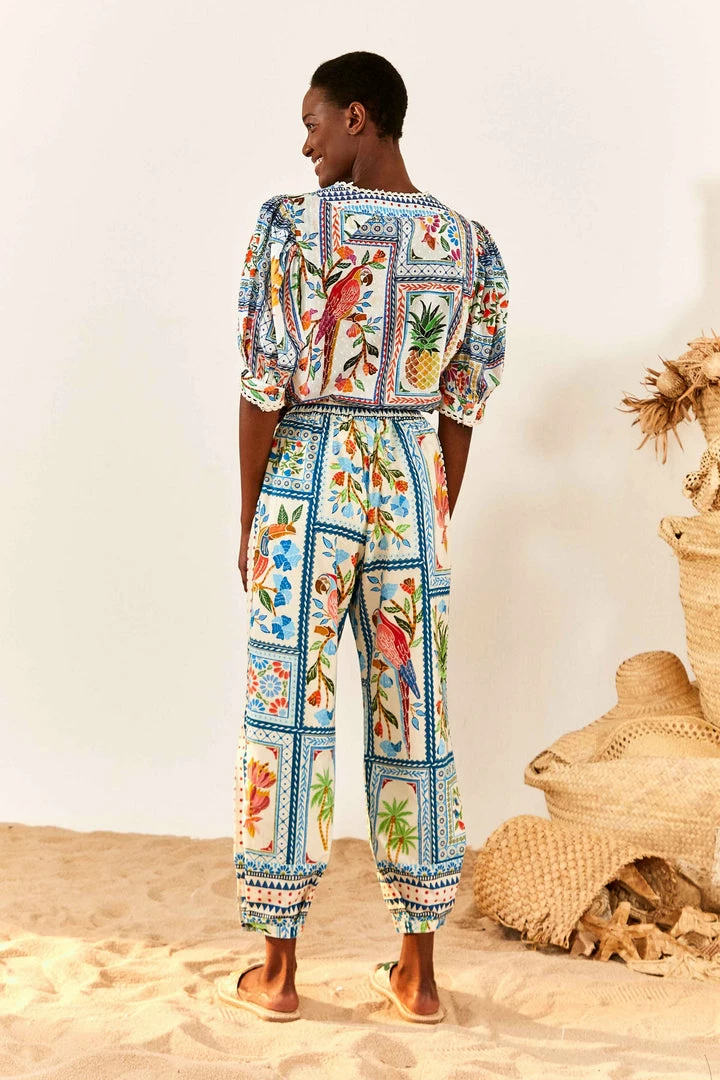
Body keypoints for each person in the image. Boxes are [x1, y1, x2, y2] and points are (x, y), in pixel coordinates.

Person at [226, 51, 509, 1023]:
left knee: (288, 710)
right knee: (415, 713)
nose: (305, 144)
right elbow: (463, 403)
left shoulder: (294, 226)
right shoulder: (468, 244)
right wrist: (434, 509)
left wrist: (252, 518)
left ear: (357, 116)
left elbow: (262, 387)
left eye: (313, 122)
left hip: (309, 476)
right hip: (412, 481)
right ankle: (418, 976)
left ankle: (279, 972)